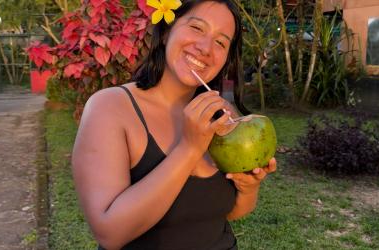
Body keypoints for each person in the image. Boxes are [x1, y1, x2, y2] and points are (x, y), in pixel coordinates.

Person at [72, 0, 277, 249]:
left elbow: (227, 212)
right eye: (197, 28)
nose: (205, 48)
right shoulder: (110, 108)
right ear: (168, 30)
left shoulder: (221, 115)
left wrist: (248, 188)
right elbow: (110, 233)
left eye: (221, 42)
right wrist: (189, 149)